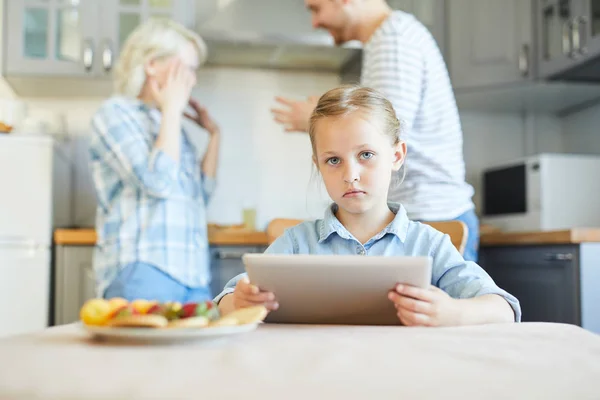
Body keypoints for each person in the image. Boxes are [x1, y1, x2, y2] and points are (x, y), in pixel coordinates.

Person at [216, 86, 520, 327]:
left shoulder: (428, 244)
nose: (350, 175)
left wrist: (452, 312)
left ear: (397, 155)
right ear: (318, 165)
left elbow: (503, 308)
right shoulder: (296, 243)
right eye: (333, 160)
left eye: (366, 155)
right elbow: (224, 300)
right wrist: (240, 302)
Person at [270, 0, 480, 261]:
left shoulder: (393, 40)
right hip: (426, 213)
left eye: (316, 8)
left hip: (428, 215)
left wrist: (317, 119)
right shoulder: (389, 37)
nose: (315, 22)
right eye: (333, 160)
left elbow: (382, 131)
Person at [89, 19, 221, 303]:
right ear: (151, 65)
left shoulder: (169, 126)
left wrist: (214, 135)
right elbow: (158, 183)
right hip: (144, 272)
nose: (192, 80)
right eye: (187, 69)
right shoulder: (115, 114)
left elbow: (201, 195)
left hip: (193, 277)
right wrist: (173, 110)